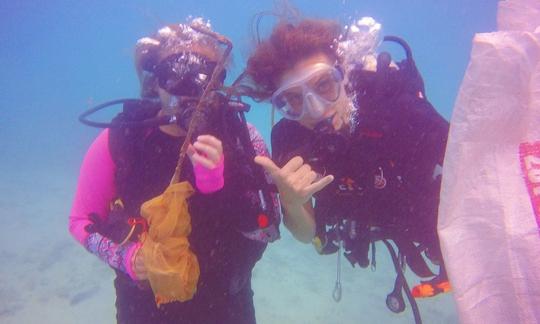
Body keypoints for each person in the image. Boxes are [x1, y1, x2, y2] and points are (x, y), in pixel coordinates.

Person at [69, 18, 279, 324]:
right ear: (155, 82)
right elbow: (79, 220)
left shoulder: (243, 138)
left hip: (225, 305)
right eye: (175, 77)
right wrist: (126, 257)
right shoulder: (121, 139)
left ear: (217, 83)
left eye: (205, 78)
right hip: (145, 307)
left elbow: (269, 228)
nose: (189, 93)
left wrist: (221, 189)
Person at [243, 15, 450, 311]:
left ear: (344, 75)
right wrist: (290, 202)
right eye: (293, 99)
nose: (315, 109)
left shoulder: (397, 112)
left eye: (324, 84)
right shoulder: (289, 137)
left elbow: (471, 168)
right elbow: (306, 234)